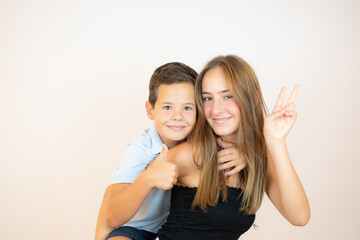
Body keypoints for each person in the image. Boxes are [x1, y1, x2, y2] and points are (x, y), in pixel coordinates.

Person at [156, 55, 311, 239]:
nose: (216, 109)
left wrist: (276, 142)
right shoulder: (190, 155)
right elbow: (129, 210)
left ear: (252, 98)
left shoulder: (256, 159)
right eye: (207, 98)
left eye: (227, 96)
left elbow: (299, 217)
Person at [95, 62, 246, 240]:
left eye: (187, 108)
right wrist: (147, 178)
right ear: (150, 110)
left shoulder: (199, 143)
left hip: (173, 229)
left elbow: (231, 138)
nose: (177, 116)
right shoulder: (141, 149)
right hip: (136, 229)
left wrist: (243, 154)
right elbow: (112, 215)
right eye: (168, 107)